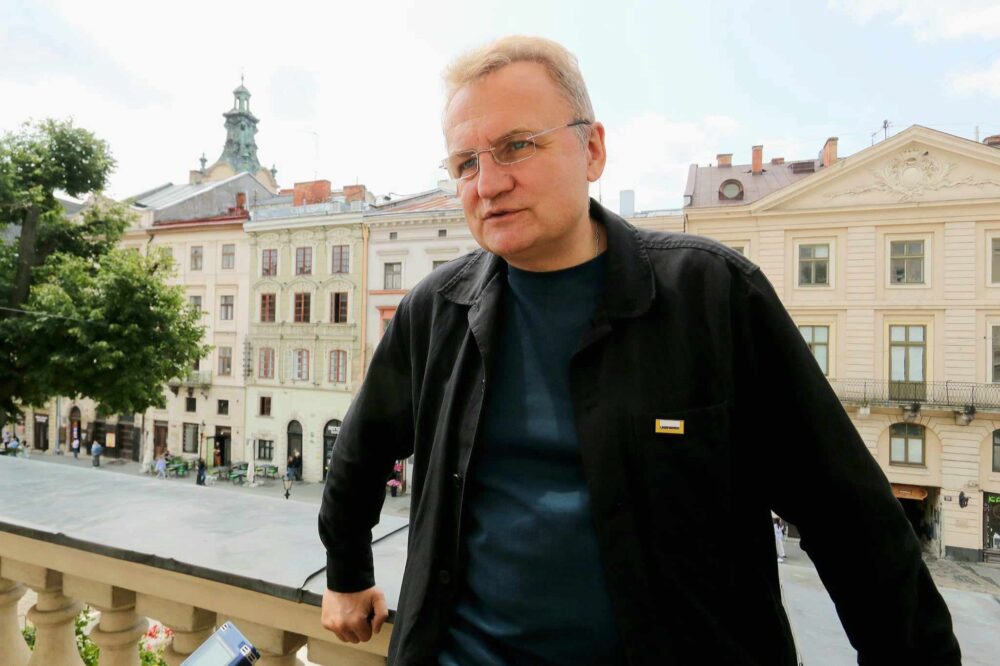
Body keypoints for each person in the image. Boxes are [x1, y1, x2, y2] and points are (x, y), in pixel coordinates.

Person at [318, 36, 960, 665]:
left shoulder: (712, 294)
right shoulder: (437, 309)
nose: (487, 184)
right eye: (465, 163)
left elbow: (846, 516)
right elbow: (360, 448)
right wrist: (346, 572)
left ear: (592, 150)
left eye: (517, 146)